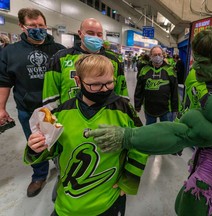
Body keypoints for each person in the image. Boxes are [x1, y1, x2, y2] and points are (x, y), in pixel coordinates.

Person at [83, 26, 212, 216]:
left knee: (193, 207)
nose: (195, 66)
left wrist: (127, 136)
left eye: (204, 62)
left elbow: (183, 134)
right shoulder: (202, 74)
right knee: (183, 204)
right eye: (195, 59)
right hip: (204, 150)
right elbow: (189, 106)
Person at [24, 54, 148, 216]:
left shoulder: (124, 110)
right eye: (95, 85)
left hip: (108, 200)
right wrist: (35, 148)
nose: (104, 89)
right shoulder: (61, 113)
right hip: (68, 202)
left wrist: (128, 181)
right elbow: (52, 150)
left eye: (109, 83)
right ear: (78, 81)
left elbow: (140, 145)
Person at [0, 7, 65, 197]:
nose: (38, 28)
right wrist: (1, 108)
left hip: (57, 110)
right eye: (32, 26)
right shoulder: (10, 52)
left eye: (41, 25)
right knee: (36, 145)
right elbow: (4, 82)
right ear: (22, 26)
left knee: (62, 143)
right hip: (28, 110)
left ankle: (64, 172)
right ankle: (39, 175)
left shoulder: (59, 50)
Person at [42, 18, 128, 111]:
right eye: (90, 33)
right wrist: (54, 119)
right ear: (80, 33)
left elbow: (121, 93)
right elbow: (50, 93)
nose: (95, 37)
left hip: (106, 117)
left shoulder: (113, 60)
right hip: (69, 117)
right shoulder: (61, 58)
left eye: (99, 34)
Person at [134, 45, 179, 125]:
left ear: (162, 55)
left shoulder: (170, 70)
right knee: (150, 132)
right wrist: (137, 104)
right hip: (149, 108)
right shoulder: (144, 70)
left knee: (166, 131)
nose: (157, 57)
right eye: (155, 55)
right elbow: (139, 89)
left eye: (159, 54)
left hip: (166, 109)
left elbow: (174, 90)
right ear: (151, 56)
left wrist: (175, 108)